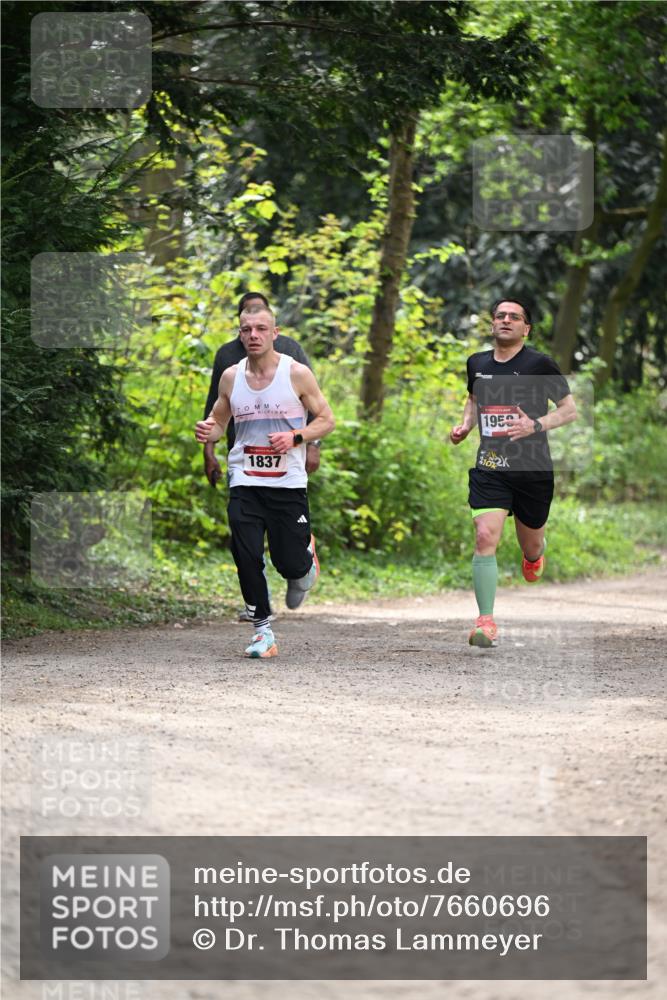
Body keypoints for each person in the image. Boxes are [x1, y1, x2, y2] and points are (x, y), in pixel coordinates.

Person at [195, 304, 335, 659]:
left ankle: (305, 559)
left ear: (275, 334)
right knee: (245, 552)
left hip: (287, 482)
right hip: (245, 478)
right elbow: (220, 420)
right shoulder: (230, 376)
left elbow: (327, 420)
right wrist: (209, 431)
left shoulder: (297, 374)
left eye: (260, 329)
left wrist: (297, 438)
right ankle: (263, 632)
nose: (253, 335)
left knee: (289, 565)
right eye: (246, 330)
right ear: (239, 335)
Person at [450, 297, 577, 648]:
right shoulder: (476, 363)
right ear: (492, 324)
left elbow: (569, 411)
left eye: (514, 317)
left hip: (532, 469)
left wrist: (535, 424)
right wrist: (464, 426)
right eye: (500, 316)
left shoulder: (540, 364)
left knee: (530, 543)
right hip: (490, 467)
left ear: (526, 328)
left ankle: (535, 555)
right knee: (484, 537)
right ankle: (485, 622)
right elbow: (474, 400)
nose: (506, 320)